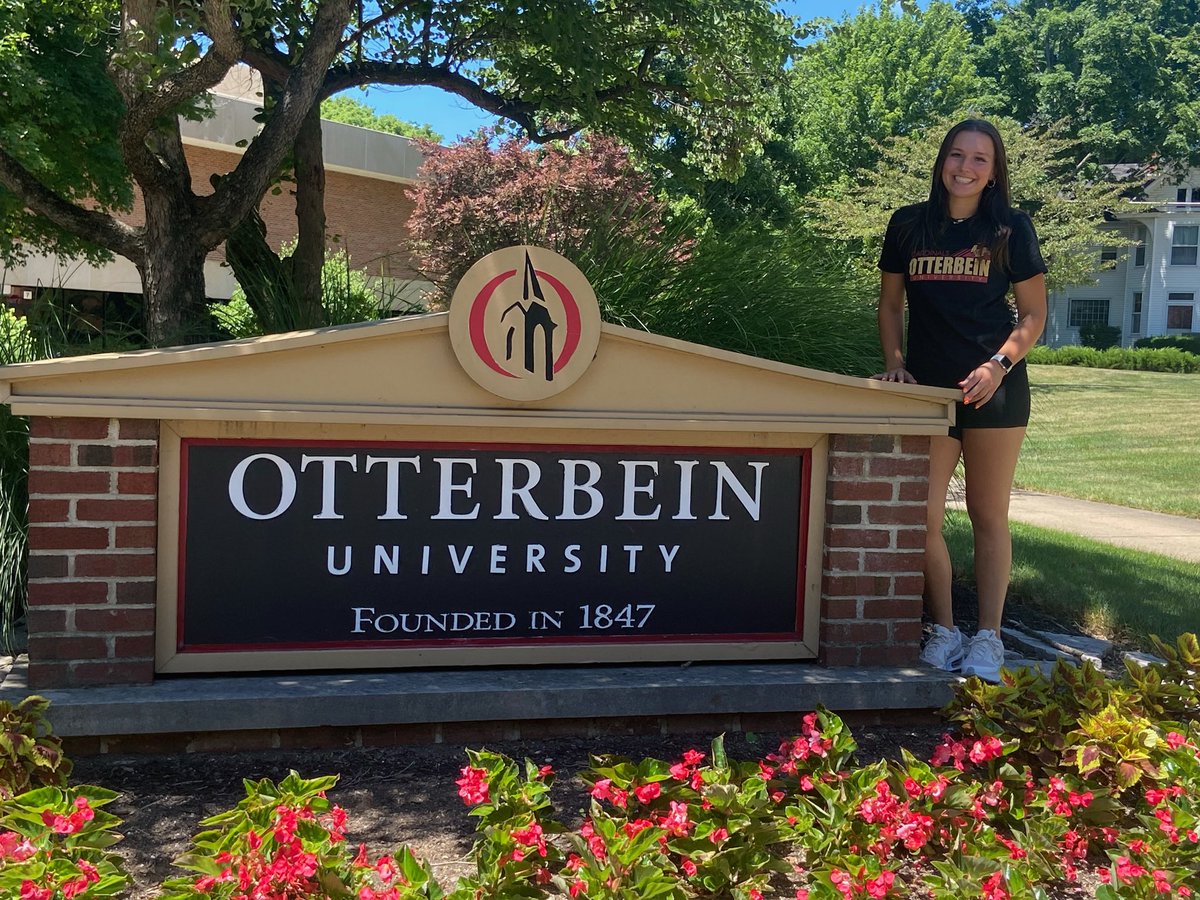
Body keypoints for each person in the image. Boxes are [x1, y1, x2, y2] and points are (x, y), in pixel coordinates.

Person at [874, 118, 1047, 682]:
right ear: (941, 160)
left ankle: (989, 638)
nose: (966, 167)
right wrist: (896, 364)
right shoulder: (908, 226)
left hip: (993, 390)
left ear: (994, 172)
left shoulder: (1010, 228)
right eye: (957, 155)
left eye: (980, 159)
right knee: (922, 514)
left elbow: (1033, 316)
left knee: (987, 514)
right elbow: (891, 306)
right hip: (927, 391)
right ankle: (945, 629)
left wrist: (999, 366)